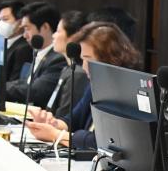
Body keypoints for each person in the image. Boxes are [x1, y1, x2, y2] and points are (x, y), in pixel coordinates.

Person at [25, 22, 141, 150]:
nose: (84, 66)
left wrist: (56, 135)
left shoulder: (126, 93)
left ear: (109, 58)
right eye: (82, 59)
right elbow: (73, 119)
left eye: (88, 59)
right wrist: (52, 124)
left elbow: (101, 142)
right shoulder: (95, 85)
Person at [5, 3, 66, 107]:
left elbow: (35, 91)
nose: (24, 35)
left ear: (45, 27)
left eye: (27, 28)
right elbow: (25, 83)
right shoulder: (39, 51)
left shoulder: (58, 58)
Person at [45, 10, 89, 119]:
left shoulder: (78, 74)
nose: (54, 35)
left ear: (74, 37)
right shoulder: (67, 69)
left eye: (58, 31)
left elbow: (65, 116)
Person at [0, 0, 31, 83]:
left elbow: (16, 81)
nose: (0, 24)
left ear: (20, 22)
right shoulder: (1, 43)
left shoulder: (24, 48)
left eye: (5, 19)